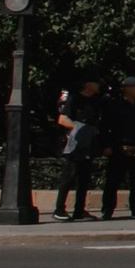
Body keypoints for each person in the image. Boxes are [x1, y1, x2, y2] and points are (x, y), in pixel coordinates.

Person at [53, 70, 109, 220]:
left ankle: (79, 210)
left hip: (89, 143)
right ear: (88, 84)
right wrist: (79, 129)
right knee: (69, 176)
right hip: (75, 143)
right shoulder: (74, 99)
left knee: (84, 178)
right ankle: (59, 209)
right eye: (96, 82)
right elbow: (62, 119)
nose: (98, 85)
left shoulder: (96, 101)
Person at [101, 74, 135, 221]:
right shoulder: (114, 105)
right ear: (126, 89)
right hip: (119, 148)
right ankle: (107, 210)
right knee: (113, 181)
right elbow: (105, 126)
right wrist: (106, 145)